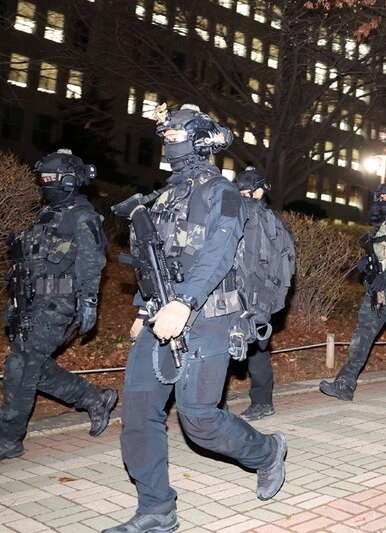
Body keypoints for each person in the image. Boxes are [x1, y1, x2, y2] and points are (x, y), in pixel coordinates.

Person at [104, 104, 286, 533]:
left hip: (208, 316)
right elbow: (158, 260)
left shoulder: (221, 191)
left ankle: (266, 452)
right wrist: (143, 308)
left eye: (174, 136)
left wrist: (183, 302)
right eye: (164, 137)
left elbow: (218, 253)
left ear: (200, 140)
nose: (167, 143)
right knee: (139, 411)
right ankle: (156, 509)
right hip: (160, 313)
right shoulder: (166, 195)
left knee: (199, 419)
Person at [0, 150, 115, 461]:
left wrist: (89, 303)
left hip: (57, 305)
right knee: (32, 366)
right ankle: (94, 397)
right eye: (43, 179)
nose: (46, 184)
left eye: (51, 178)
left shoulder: (82, 215)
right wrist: (14, 299)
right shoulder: (47, 213)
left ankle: (8, 439)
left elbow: (92, 262)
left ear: (69, 180)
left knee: (20, 367)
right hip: (31, 303)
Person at [319, 179, 386, 401]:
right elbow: (378, 255)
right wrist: (366, 265)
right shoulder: (380, 229)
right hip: (376, 292)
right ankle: (344, 384)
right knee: (361, 338)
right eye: (382, 198)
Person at [232, 167, 296, 421]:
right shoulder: (268, 219)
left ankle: (260, 401)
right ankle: (256, 401)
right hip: (250, 294)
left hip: (250, 294)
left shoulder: (260, 218)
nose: (244, 195)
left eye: (247, 191)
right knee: (246, 345)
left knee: (253, 347)